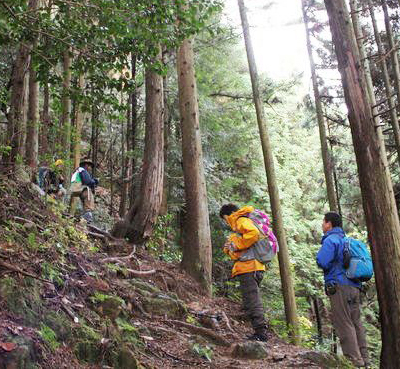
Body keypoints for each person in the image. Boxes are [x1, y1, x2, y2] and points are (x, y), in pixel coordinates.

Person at [316, 212, 369, 367]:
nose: (322, 224)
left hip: (339, 287)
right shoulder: (347, 240)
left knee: (344, 323)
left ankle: (354, 361)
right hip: (355, 286)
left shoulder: (331, 240)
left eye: (323, 221)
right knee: (356, 322)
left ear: (329, 224)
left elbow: (322, 261)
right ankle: (365, 360)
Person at [219, 203, 268, 342]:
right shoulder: (241, 223)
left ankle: (261, 333)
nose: (226, 222)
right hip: (252, 266)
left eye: (225, 219)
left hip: (249, 267)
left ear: (228, 215)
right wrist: (230, 248)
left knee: (253, 301)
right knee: (250, 301)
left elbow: (254, 234)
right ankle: (259, 332)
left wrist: (235, 245)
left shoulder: (241, 220)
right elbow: (237, 252)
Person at [70, 158, 98, 223]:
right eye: (90, 166)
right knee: (89, 199)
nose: (91, 168)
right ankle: (87, 216)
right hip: (81, 188)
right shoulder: (82, 170)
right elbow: (88, 181)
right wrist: (95, 181)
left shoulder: (77, 171)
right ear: (86, 165)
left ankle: (83, 219)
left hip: (76, 188)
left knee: (84, 203)